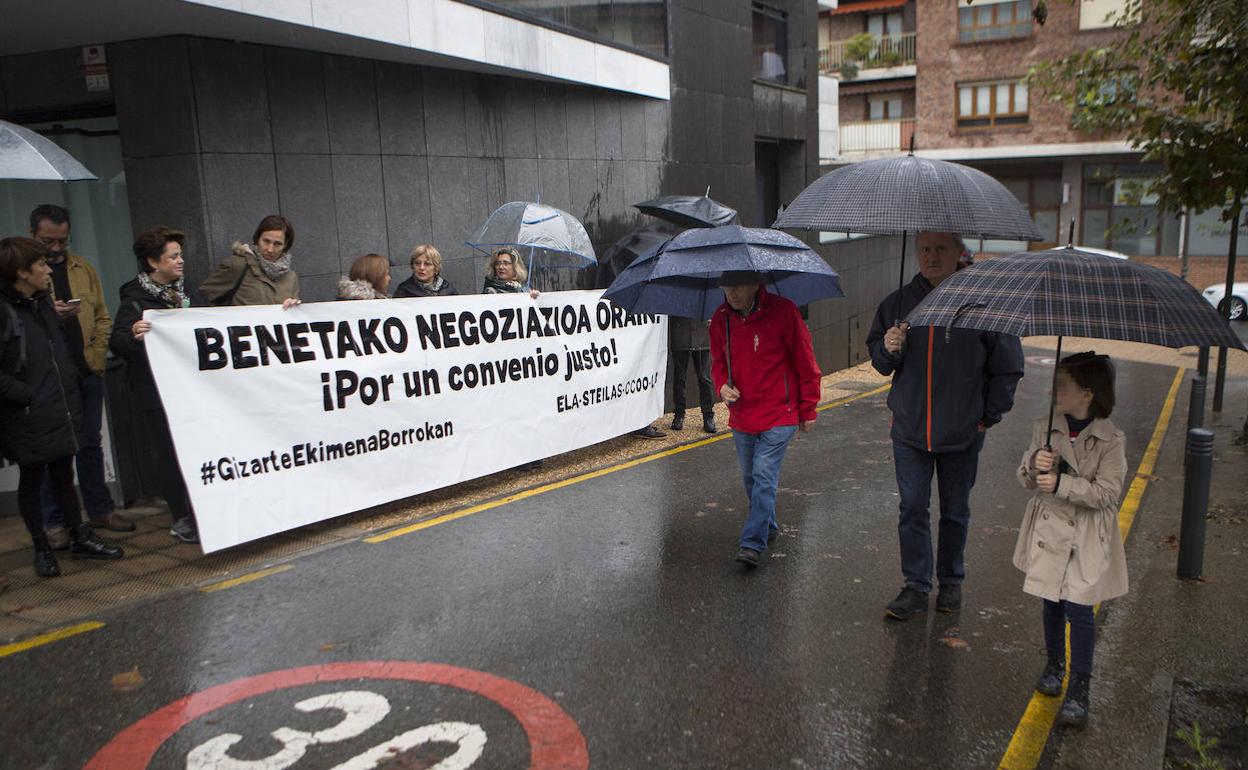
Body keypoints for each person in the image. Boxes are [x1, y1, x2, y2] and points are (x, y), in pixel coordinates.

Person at [866, 231, 1024, 620]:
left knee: (954, 511)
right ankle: (916, 585)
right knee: (912, 508)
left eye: (940, 249)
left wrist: (988, 416)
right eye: (924, 249)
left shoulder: (984, 302)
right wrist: (888, 348)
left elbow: (1008, 367)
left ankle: (951, 581)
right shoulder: (898, 304)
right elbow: (880, 363)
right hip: (910, 430)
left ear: (958, 251)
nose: (931, 256)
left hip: (963, 432)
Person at [1015, 352, 1127, 728]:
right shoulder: (1045, 427)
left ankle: (1080, 686)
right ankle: (1054, 665)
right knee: (1051, 601)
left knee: (1079, 609)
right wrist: (1035, 463)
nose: (1055, 391)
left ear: (1087, 394)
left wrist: (1062, 483)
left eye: (1064, 386)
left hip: (1086, 534)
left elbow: (1108, 493)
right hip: (1050, 531)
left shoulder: (1111, 439)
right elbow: (1024, 478)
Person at [0, 237, 123, 576]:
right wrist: (26, 395)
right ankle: (41, 546)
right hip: (27, 413)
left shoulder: (42, 302)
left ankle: (79, 534)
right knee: (32, 478)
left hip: (60, 403)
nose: (48, 271)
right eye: (40, 265)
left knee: (63, 474)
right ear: (22, 272)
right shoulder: (4, 310)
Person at [27, 205, 132, 547]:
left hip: (86, 369)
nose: (56, 248)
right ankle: (55, 522)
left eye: (62, 240)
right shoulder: (24, 274)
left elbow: (102, 315)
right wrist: (50, 314)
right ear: (32, 235)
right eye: (48, 241)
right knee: (53, 449)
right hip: (50, 378)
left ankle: (100, 509)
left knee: (90, 442)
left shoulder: (82, 268)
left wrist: (98, 353)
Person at [710, 271, 821, 566]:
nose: (731, 292)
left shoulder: (784, 312)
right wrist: (721, 386)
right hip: (743, 414)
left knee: (762, 474)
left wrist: (808, 408)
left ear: (754, 284)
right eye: (726, 286)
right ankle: (767, 525)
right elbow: (718, 362)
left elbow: (805, 360)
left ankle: (752, 543)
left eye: (737, 286)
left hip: (780, 412)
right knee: (751, 478)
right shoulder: (720, 318)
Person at [110, 227, 202, 544]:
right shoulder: (135, 300)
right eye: (173, 256)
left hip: (191, 388)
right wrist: (133, 334)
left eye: (180, 255)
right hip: (156, 392)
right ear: (153, 262)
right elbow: (118, 342)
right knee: (169, 453)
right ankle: (182, 516)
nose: (180, 261)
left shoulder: (188, 294)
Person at [198, 214, 301, 308]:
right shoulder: (238, 265)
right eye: (266, 241)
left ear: (285, 245)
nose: (270, 249)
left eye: (277, 244)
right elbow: (201, 300)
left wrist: (293, 308)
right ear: (257, 239)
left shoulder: (291, 278)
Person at [669, 316, 716, 433]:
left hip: (702, 333)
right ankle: (679, 415)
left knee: (705, 378)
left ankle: (708, 416)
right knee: (680, 378)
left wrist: (713, 317)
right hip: (680, 331)